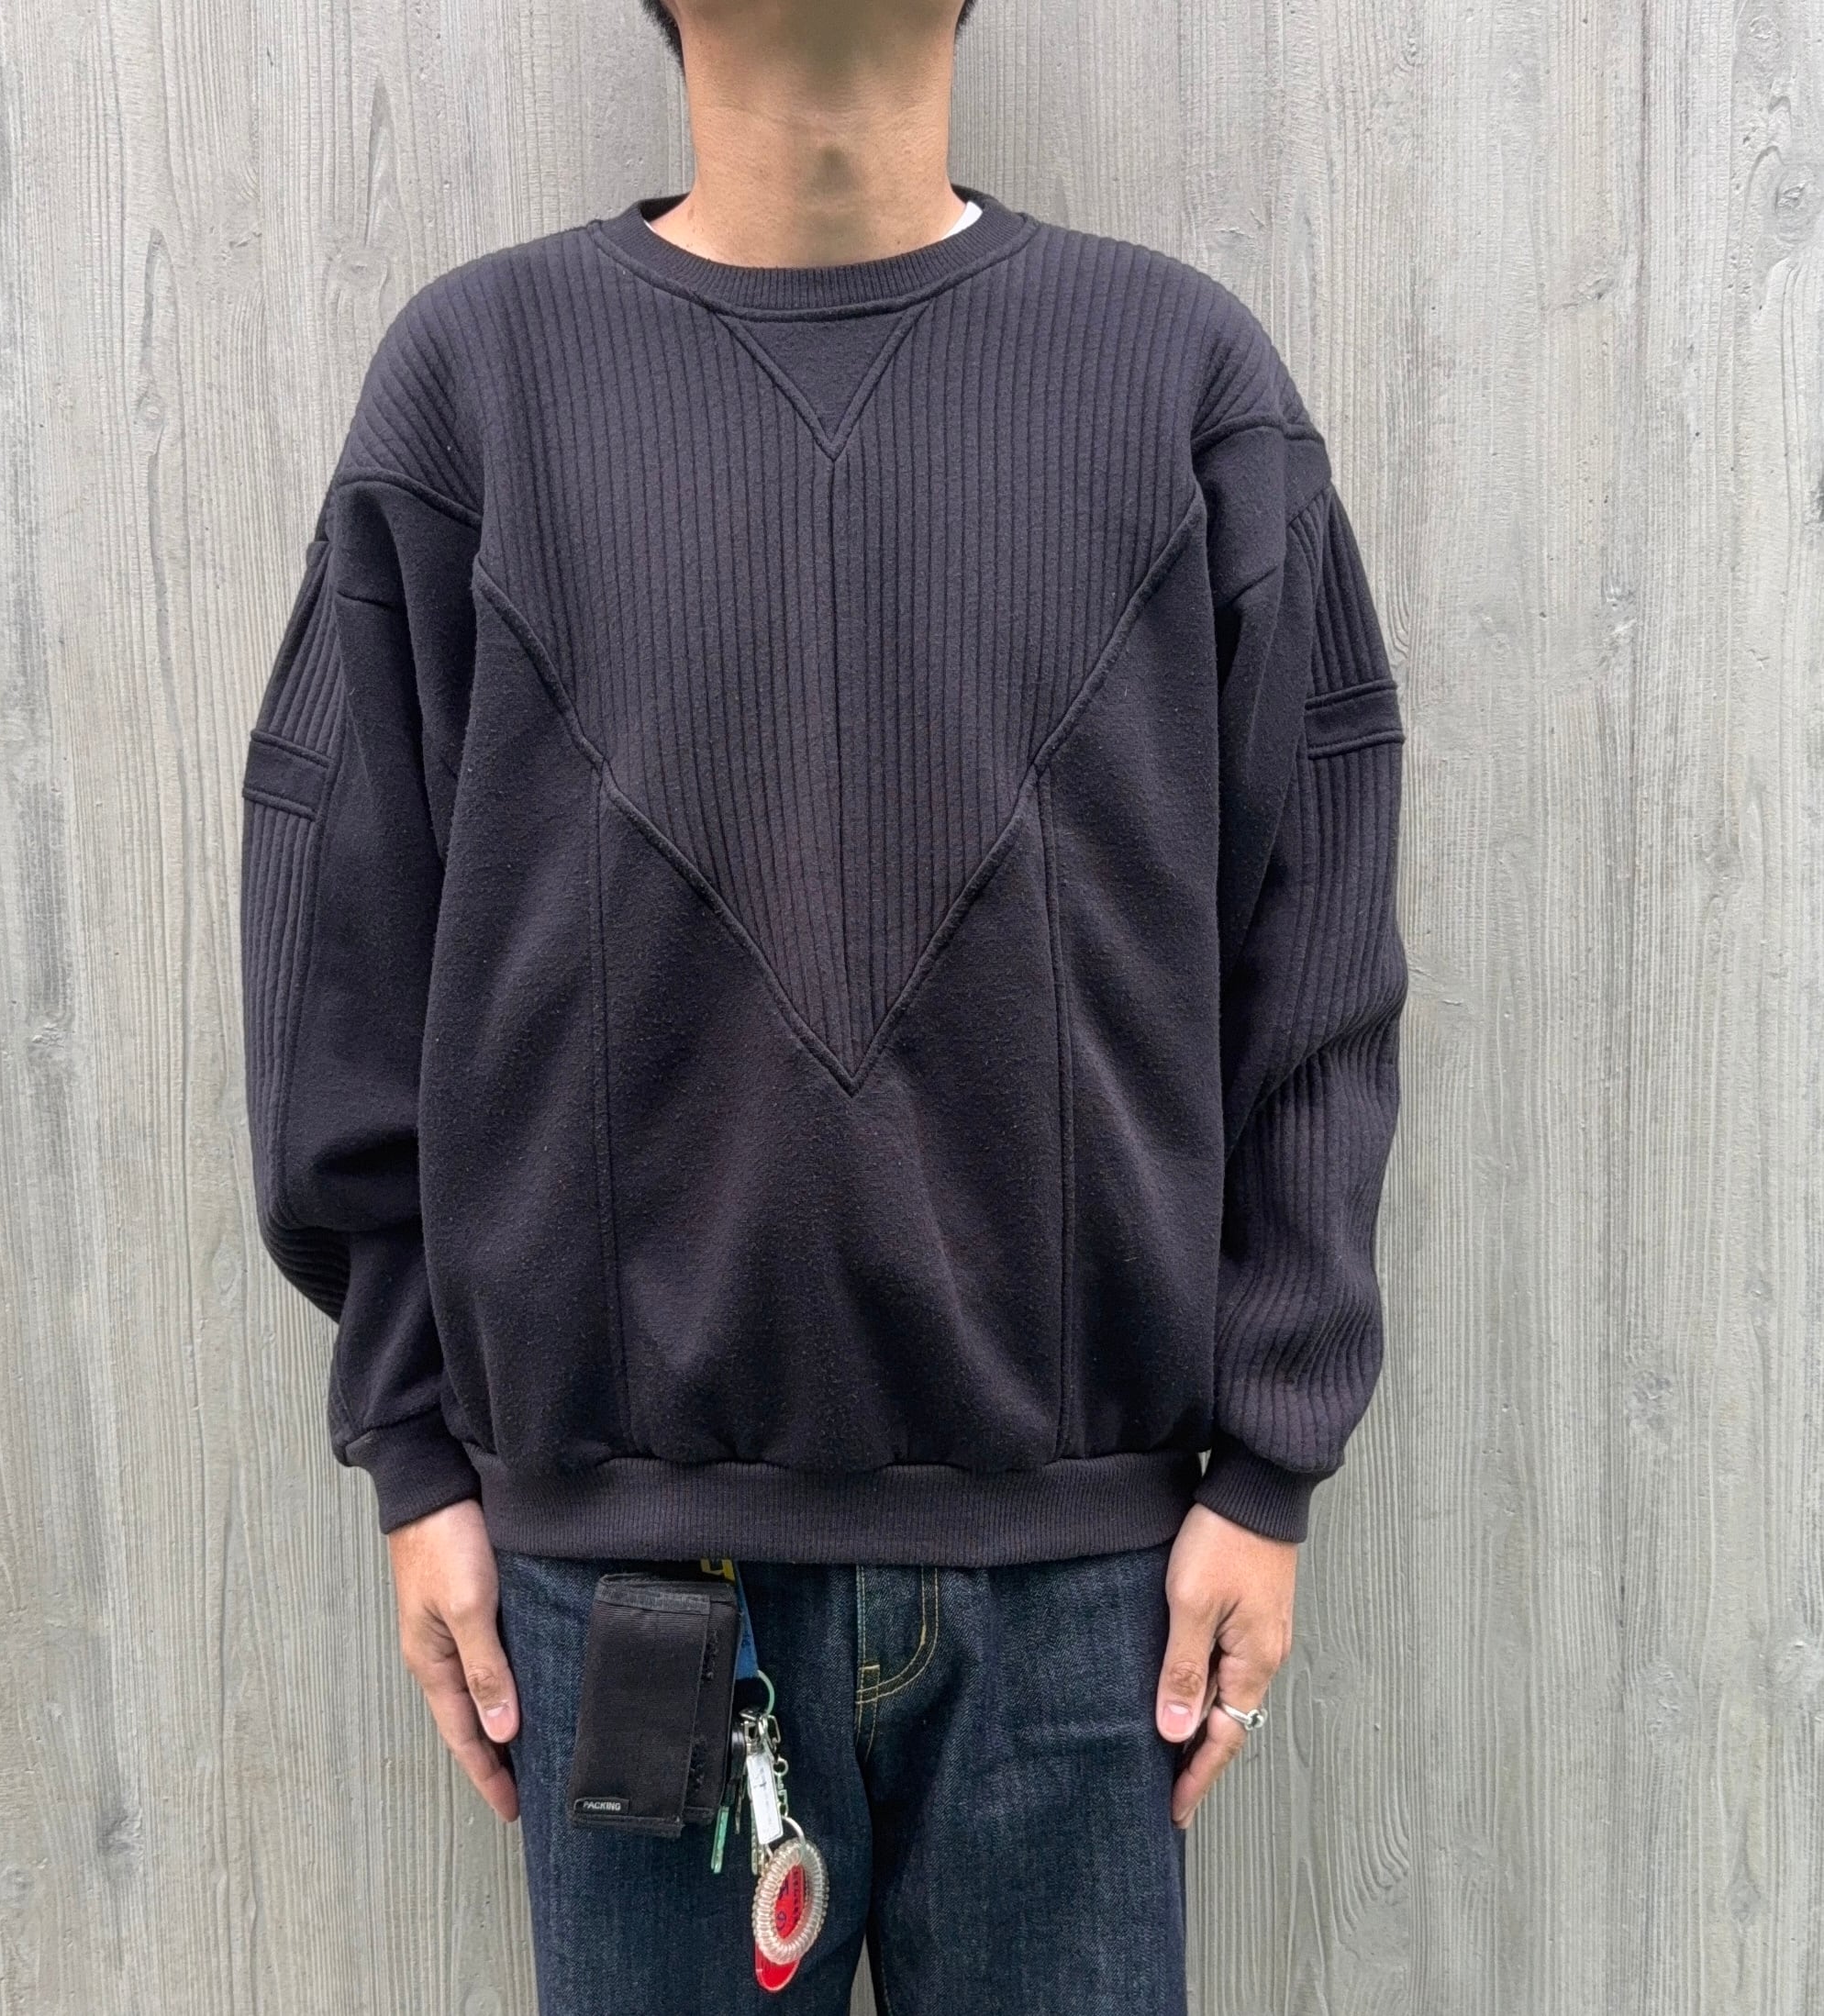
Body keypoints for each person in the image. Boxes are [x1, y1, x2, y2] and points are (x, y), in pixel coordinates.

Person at [236, 0, 1408, 2008]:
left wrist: (1268, 1458)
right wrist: (413, 1454)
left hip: (1087, 1598)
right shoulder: (476, 389)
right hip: (626, 1593)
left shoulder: (1181, 384)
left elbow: (1315, 943)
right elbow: (340, 934)